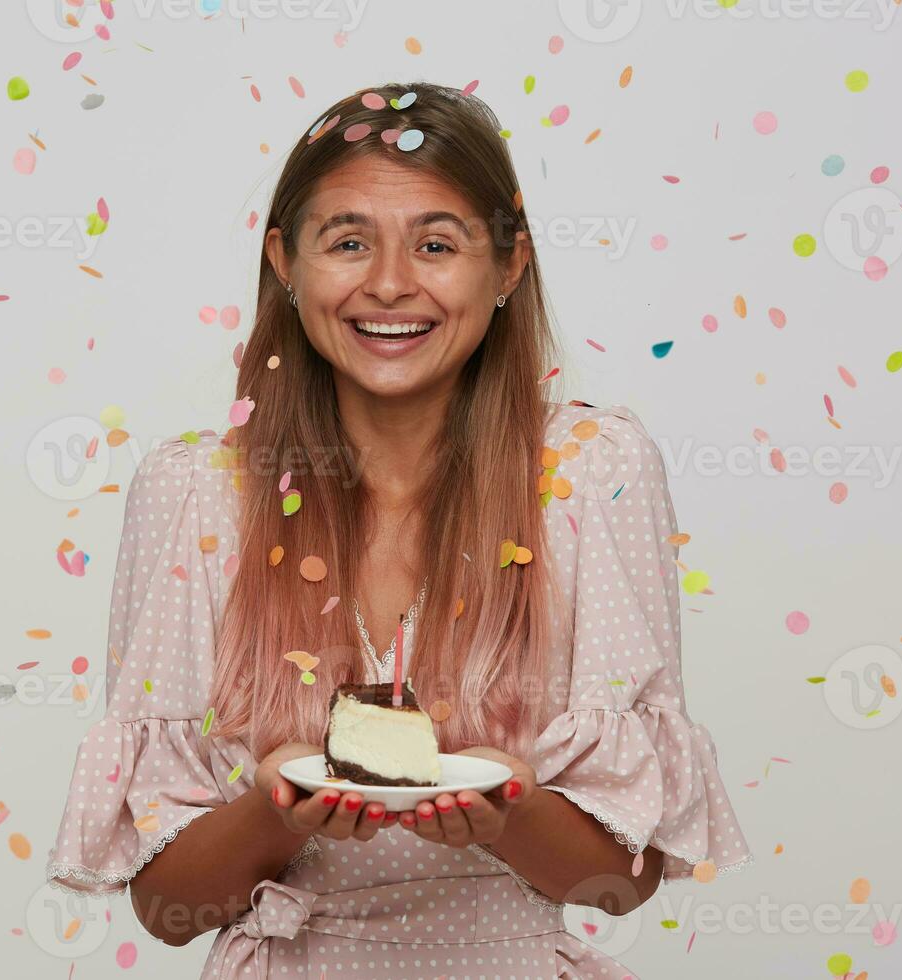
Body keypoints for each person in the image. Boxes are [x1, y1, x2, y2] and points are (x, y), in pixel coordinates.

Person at [45, 80, 751, 978]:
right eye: (348, 242)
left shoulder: (590, 474)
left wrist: (514, 809)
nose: (388, 283)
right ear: (285, 263)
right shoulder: (197, 492)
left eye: (436, 244)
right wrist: (272, 808)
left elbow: (622, 883)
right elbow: (168, 908)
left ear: (508, 267)